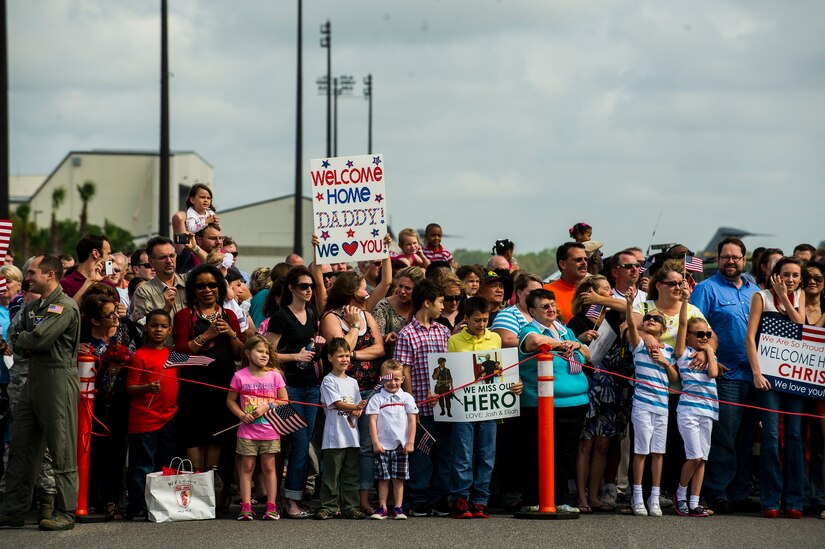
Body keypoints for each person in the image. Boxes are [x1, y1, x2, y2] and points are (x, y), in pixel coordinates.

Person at [0, 254, 81, 531]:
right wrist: (25, 340)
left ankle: (65, 511)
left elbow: (38, 339)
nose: (27, 277)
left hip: (57, 379)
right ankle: (13, 510)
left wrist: (25, 340)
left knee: (61, 447)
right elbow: (17, 336)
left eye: (32, 272)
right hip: (32, 378)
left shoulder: (64, 306)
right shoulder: (38, 307)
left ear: (50, 275)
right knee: (22, 447)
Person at [689, 237, 760, 515]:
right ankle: (717, 491)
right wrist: (710, 357)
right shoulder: (707, 289)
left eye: (736, 257)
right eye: (725, 257)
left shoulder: (755, 291)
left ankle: (739, 491)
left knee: (745, 437)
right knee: (724, 437)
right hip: (725, 375)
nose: (731, 261)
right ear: (718, 259)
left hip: (754, 376)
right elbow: (694, 330)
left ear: (745, 260)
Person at [173, 264, 244, 508]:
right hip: (193, 388)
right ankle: (193, 496)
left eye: (212, 285)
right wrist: (208, 335)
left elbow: (240, 355)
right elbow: (180, 352)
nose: (207, 290)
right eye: (201, 286)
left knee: (216, 437)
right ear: (193, 289)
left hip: (222, 388)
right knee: (194, 437)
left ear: (219, 288)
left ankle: (212, 494)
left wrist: (232, 334)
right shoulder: (184, 315)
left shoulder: (230, 315)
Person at [447, 296, 521, 519]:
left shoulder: (495, 339)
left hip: (489, 405)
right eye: (477, 320)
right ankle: (461, 498)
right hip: (464, 406)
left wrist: (514, 384)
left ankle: (480, 499)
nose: (482, 325)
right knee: (462, 454)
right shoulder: (454, 341)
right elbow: (451, 373)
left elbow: (503, 370)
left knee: (487, 453)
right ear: (466, 319)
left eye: (485, 320)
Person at [516, 288, 589, 514]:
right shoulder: (528, 330)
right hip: (542, 405)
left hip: (576, 402)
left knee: (565, 455)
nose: (551, 310)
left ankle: (561, 499)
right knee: (537, 453)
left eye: (552, 305)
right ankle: (532, 498)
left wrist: (575, 344)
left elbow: (587, 352)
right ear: (532, 311)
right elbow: (534, 342)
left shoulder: (564, 330)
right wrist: (561, 345)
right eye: (545, 306)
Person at [319, 270, 385, 514]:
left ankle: (359, 500)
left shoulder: (368, 314)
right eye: (361, 285)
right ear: (349, 289)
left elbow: (379, 349)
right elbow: (340, 348)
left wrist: (353, 354)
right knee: (337, 455)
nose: (366, 288)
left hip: (368, 389)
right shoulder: (331, 317)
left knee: (363, 448)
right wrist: (355, 327)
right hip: (340, 388)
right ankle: (331, 502)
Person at [745, 256, 807, 518]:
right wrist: (756, 373)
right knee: (770, 437)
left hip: (794, 380)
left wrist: (786, 297)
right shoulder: (760, 297)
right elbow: (750, 336)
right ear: (775, 275)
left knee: (794, 436)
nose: (790, 280)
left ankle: (795, 499)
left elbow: (801, 326)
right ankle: (770, 499)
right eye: (786, 275)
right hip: (768, 378)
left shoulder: (799, 295)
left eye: (795, 275)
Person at [263, 266, 320, 518]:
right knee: (298, 443)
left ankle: (294, 497)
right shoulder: (281, 317)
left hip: (312, 385)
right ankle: (290, 500)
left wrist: (317, 347)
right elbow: (267, 354)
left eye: (312, 287)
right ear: (292, 288)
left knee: (305, 443)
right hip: (290, 387)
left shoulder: (311, 312)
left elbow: (309, 346)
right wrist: (295, 355)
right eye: (304, 286)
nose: (309, 290)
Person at [395, 279, 452, 517]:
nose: (443, 306)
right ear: (427, 302)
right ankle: (417, 497)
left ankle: (439, 497)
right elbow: (404, 369)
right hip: (420, 405)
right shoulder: (407, 334)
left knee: (445, 452)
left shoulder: (444, 331)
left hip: (445, 406)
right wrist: (411, 403)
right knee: (420, 453)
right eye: (440, 301)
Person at [624, 286, 678, 517]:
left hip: (662, 406)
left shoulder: (668, 350)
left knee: (658, 453)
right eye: (647, 318)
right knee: (641, 451)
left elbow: (676, 379)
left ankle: (654, 496)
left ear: (663, 328)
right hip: (642, 405)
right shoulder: (639, 345)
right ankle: (637, 496)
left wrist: (665, 363)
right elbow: (630, 324)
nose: (650, 320)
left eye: (656, 319)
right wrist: (629, 305)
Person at [124, 309, 178, 520]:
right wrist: (147, 387)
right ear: (146, 328)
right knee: (142, 464)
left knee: (164, 464)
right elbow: (130, 389)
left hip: (169, 416)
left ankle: (160, 504)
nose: (158, 329)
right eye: (154, 325)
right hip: (144, 419)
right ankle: (138, 505)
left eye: (163, 326)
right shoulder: (139, 355)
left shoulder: (172, 355)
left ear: (169, 330)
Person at [227, 335, 288, 521]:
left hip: (270, 430)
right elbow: (230, 401)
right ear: (247, 352)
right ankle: (245, 506)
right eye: (259, 351)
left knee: (269, 466)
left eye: (267, 352)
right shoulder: (240, 376)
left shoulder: (274, 375)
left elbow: (284, 400)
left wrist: (267, 406)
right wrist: (241, 415)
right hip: (247, 431)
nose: (264, 355)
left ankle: (271, 506)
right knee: (247, 466)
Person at [672, 292, 718, 518]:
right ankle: (680, 495)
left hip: (708, 411)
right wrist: (684, 301)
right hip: (689, 410)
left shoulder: (709, 353)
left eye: (707, 334)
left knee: (702, 459)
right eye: (699, 334)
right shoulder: (682, 353)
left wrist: (709, 349)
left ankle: (694, 501)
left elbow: (714, 372)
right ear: (689, 336)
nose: (704, 337)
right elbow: (681, 323)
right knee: (695, 456)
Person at [315, 338, 368, 520]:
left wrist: (358, 410)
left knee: (351, 474)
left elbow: (356, 409)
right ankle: (328, 507)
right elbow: (337, 404)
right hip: (334, 437)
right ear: (330, 358)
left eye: (347, 355)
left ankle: (350, 506)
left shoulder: (353, 382)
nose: (344, 359)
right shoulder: (328, 381)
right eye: (340, 356)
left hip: (351, 436)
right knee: (331, 475)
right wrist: (355, 407)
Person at [367, 359, 418, 520]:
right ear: (381, 379)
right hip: (382, 445)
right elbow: (372, 421)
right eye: (388, 378)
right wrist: (375, 442)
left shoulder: (407, 398)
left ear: (403, 379)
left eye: (396, 379)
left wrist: (410, 441)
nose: (392, 382)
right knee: (383, 478)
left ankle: (398, 507)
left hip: (400, 445)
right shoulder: (376, 399)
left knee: (398, 478)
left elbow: (412, 421)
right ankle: (382, 508)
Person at [132, 236, 189, 327]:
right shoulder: (143, 292)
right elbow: (144, 329)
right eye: (163, 257)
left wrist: (196, 249)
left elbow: (214, 269)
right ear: (151, 262)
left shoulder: (188, 281)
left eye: (172, 256)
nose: (169, 261)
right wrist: (166, 308)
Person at [373, 266, 424, 359]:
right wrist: (385, 338)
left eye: (408, 288)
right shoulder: (383, 306)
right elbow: (374, 340)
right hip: (389, 365)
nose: (402, 291)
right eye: (400, 286)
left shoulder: (422, 307)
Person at [59, 234, 118, 305]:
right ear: (95, 253)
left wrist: (123, 312)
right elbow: (66, 313)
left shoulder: (109, 285)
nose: (110, 259)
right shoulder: (66, 283)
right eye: (108, 254)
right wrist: (89, 282)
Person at [491, 271, 543, 348]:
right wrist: (540, 342)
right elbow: (504, 342)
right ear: (519, 293)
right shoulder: (508, 315)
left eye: (540, 292)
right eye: (532, 292)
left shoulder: (545, 314)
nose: (537, 296)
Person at [544, 242, 588, 323]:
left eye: (585, 259)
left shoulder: (592, 290)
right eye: (578, 259)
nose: (584, 263)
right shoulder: (547, 292)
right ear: (563, 264)